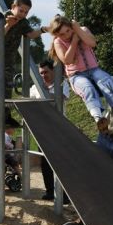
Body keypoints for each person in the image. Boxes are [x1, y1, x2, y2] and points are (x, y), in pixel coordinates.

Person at [48, 15, 113, 133]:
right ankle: (99, 119)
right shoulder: (58, 42)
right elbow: (67, 60)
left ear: (71, 27)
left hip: (94, 69)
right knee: (87, 88)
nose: (66, 35)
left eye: (68, 30)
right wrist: (74, 41)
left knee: (108, 82)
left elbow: (92, 43)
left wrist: (78, 30)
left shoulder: (82, 30)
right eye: (62, 34)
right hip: (76, 75)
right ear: (57, 35)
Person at [0, 0, 47, 129]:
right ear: (13, 7)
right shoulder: (2, 17)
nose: (23, 14)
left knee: (7, 86)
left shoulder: (23, 22)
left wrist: (44, 29)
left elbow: (31, 35)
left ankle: (6, 117)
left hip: (8, 59)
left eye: (26, 12)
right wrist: (8, 25)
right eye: (21, 10)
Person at [30, 59, 70, 202]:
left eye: (46, 72)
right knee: (45, 162)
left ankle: (65, 194)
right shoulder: (34, 88)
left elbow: (61, 98)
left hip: (59, 129)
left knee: (60, 162)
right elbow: (32, 106)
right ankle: (49, 191)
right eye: (41, 73)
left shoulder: (61, 84)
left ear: (53, 71)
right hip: (43, 129)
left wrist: (46, 93)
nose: (43, 76)